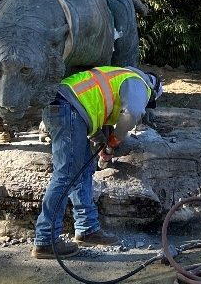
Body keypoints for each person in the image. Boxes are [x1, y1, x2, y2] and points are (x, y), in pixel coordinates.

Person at [31, 65, 163, 259]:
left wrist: (103, 143)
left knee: (83, 171)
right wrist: (114, 141)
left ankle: (87, 228)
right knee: (66, 175)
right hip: (67, 107)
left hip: (67, 107)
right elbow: (133, 113)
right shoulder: (139, 83)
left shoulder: (117, 78)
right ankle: (45, 240)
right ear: (152, 92)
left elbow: (93, 109)